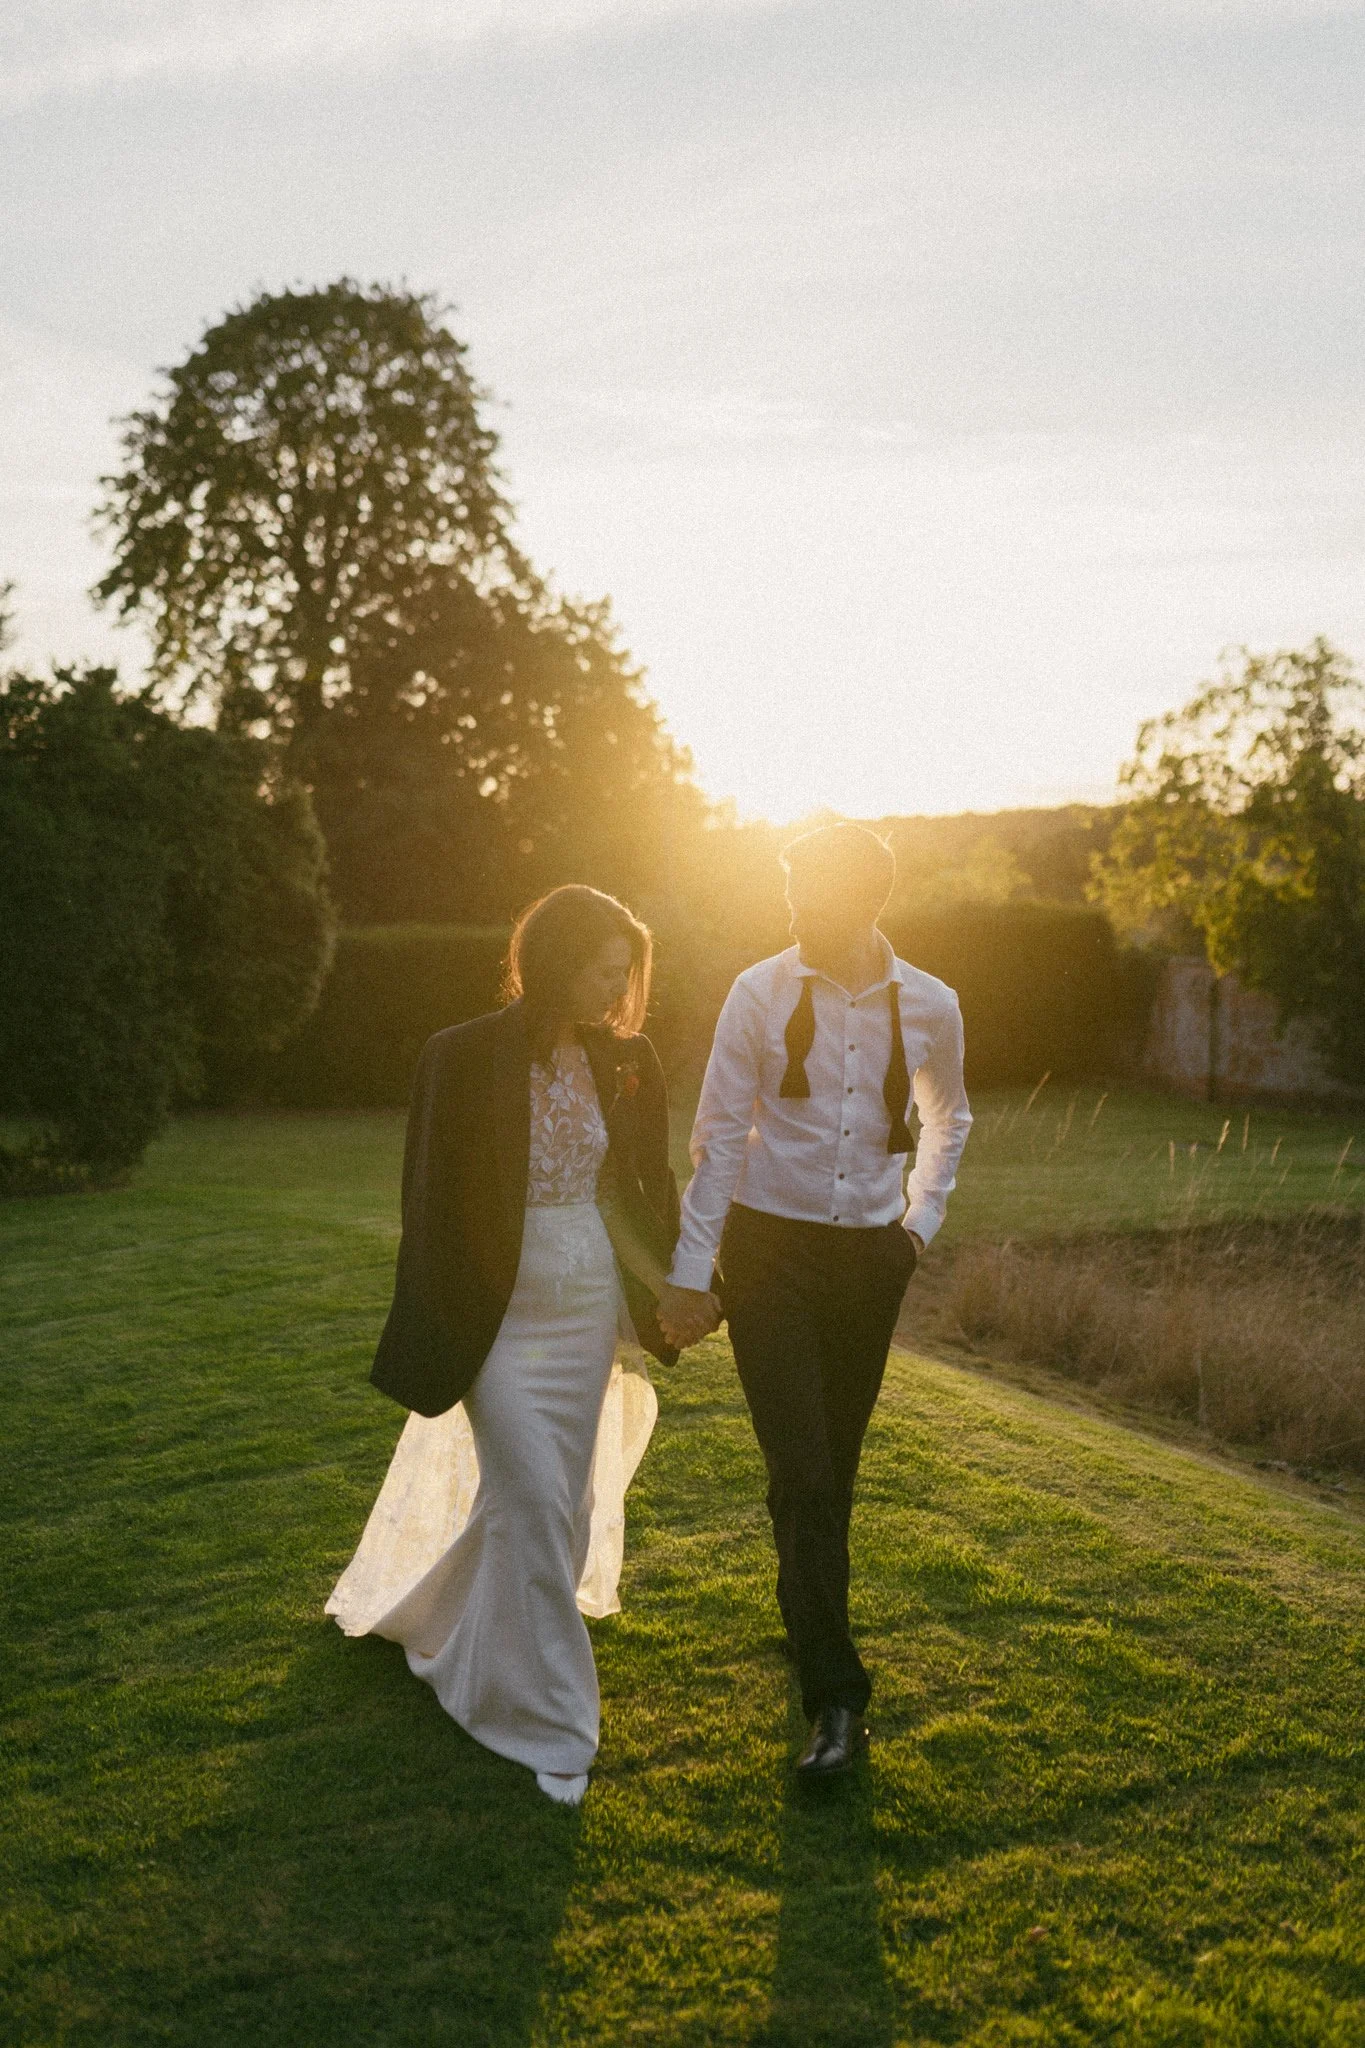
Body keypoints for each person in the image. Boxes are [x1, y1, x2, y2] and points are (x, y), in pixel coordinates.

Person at [326, 885, 717, 1806]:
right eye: (603, 970)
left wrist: (672, 1291)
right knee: (534, 1500)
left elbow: (632, 1194)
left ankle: (446, 1626)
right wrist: (435, 1325)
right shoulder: (458, 1058)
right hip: (494, 1317)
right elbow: (427, 1204)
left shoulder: (626, 1060)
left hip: (582, 1305)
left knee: (560, 1507)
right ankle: (552, 1728)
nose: (619, 989)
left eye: (627, 973)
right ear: (552, 963)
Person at [663, 824, 973, 1776]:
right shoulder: (758, 991)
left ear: (867, 901)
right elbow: (717, 1135)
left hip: (867, 1262)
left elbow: (948, 1113)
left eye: (813, 891)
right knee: (802, 1470)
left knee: (825, 1471)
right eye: (790, 885)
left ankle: (805, 1614)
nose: (794, 905)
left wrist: (917, 1228)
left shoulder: (931, 1003)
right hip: (768, 1258)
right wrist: (688, 1271)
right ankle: (836, 1702)